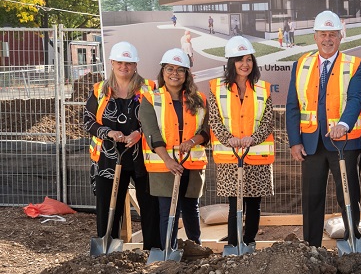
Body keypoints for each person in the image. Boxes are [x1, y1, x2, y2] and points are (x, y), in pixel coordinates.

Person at [286, 10, 361, 248]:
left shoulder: (354, 65)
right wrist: (294, 141)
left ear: (340, 37)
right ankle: (311, 247)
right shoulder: (301, 65)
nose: (328, 39)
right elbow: (293, 105)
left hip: (344, 144)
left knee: (348, 196)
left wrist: (343, 124)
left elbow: (355, 99)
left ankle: (353, 240)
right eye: (323, 34)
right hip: (311, 144)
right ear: (315, 37)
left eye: (332, 34)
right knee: (312, 198)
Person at [84, 41, 160, 250]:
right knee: (109, 205)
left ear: (136, 65)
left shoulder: (149, 88)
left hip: (142, 157)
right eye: (119, 62)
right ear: (112, 63)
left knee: (150, 204)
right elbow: (88, 120)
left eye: (128, 63)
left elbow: (161, 119)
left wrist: (140, 133)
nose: (124, 67)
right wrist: (108, 132)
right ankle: (108, 246)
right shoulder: (100, 90)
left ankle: (152, 249)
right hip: (108, 158)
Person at [208, 36, 275, 249]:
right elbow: (214, 119)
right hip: (231, 155)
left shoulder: (263, 88)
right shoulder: (216, 88)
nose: (244, 64)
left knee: (254, 204)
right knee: (234, 204)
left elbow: (268, 119)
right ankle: (234, 242)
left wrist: (253, 138)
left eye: (248, 59)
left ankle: (249, 241)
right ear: (230, 63)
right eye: (239, 60)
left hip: (256, 155)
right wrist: (228, 139)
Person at [140, 49, 209, 250]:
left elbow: (206, 130)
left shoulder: (199, 99)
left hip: (192, 163)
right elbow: (151, 132)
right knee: (167, 210)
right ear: (163, 72)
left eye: (180, 70)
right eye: (170, 68)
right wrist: (168, 160)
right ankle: (168, 252)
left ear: (187, 74)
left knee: (191, 208)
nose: (174, 73)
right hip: (164, 165)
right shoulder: (150, 98)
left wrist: (193, 141)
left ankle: (195, 247)